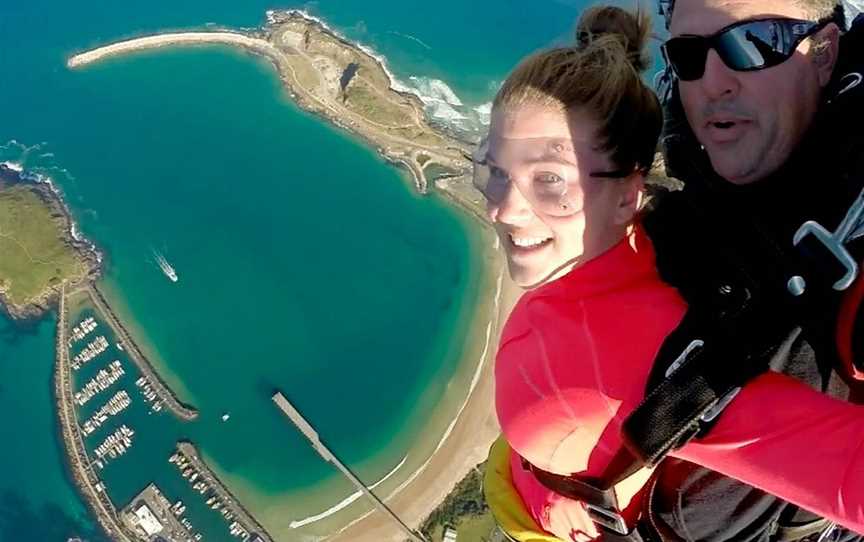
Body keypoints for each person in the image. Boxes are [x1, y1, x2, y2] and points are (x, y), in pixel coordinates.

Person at [480, 4, 864, 542]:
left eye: (753, 43)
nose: (502, 209)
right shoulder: (669, 232)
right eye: (492, 171)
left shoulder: (629, 354)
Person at [637, 0, 864, 540]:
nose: (713, 82)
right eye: (689, 55)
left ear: (825, 53)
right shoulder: (680, 185)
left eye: (752, 44)